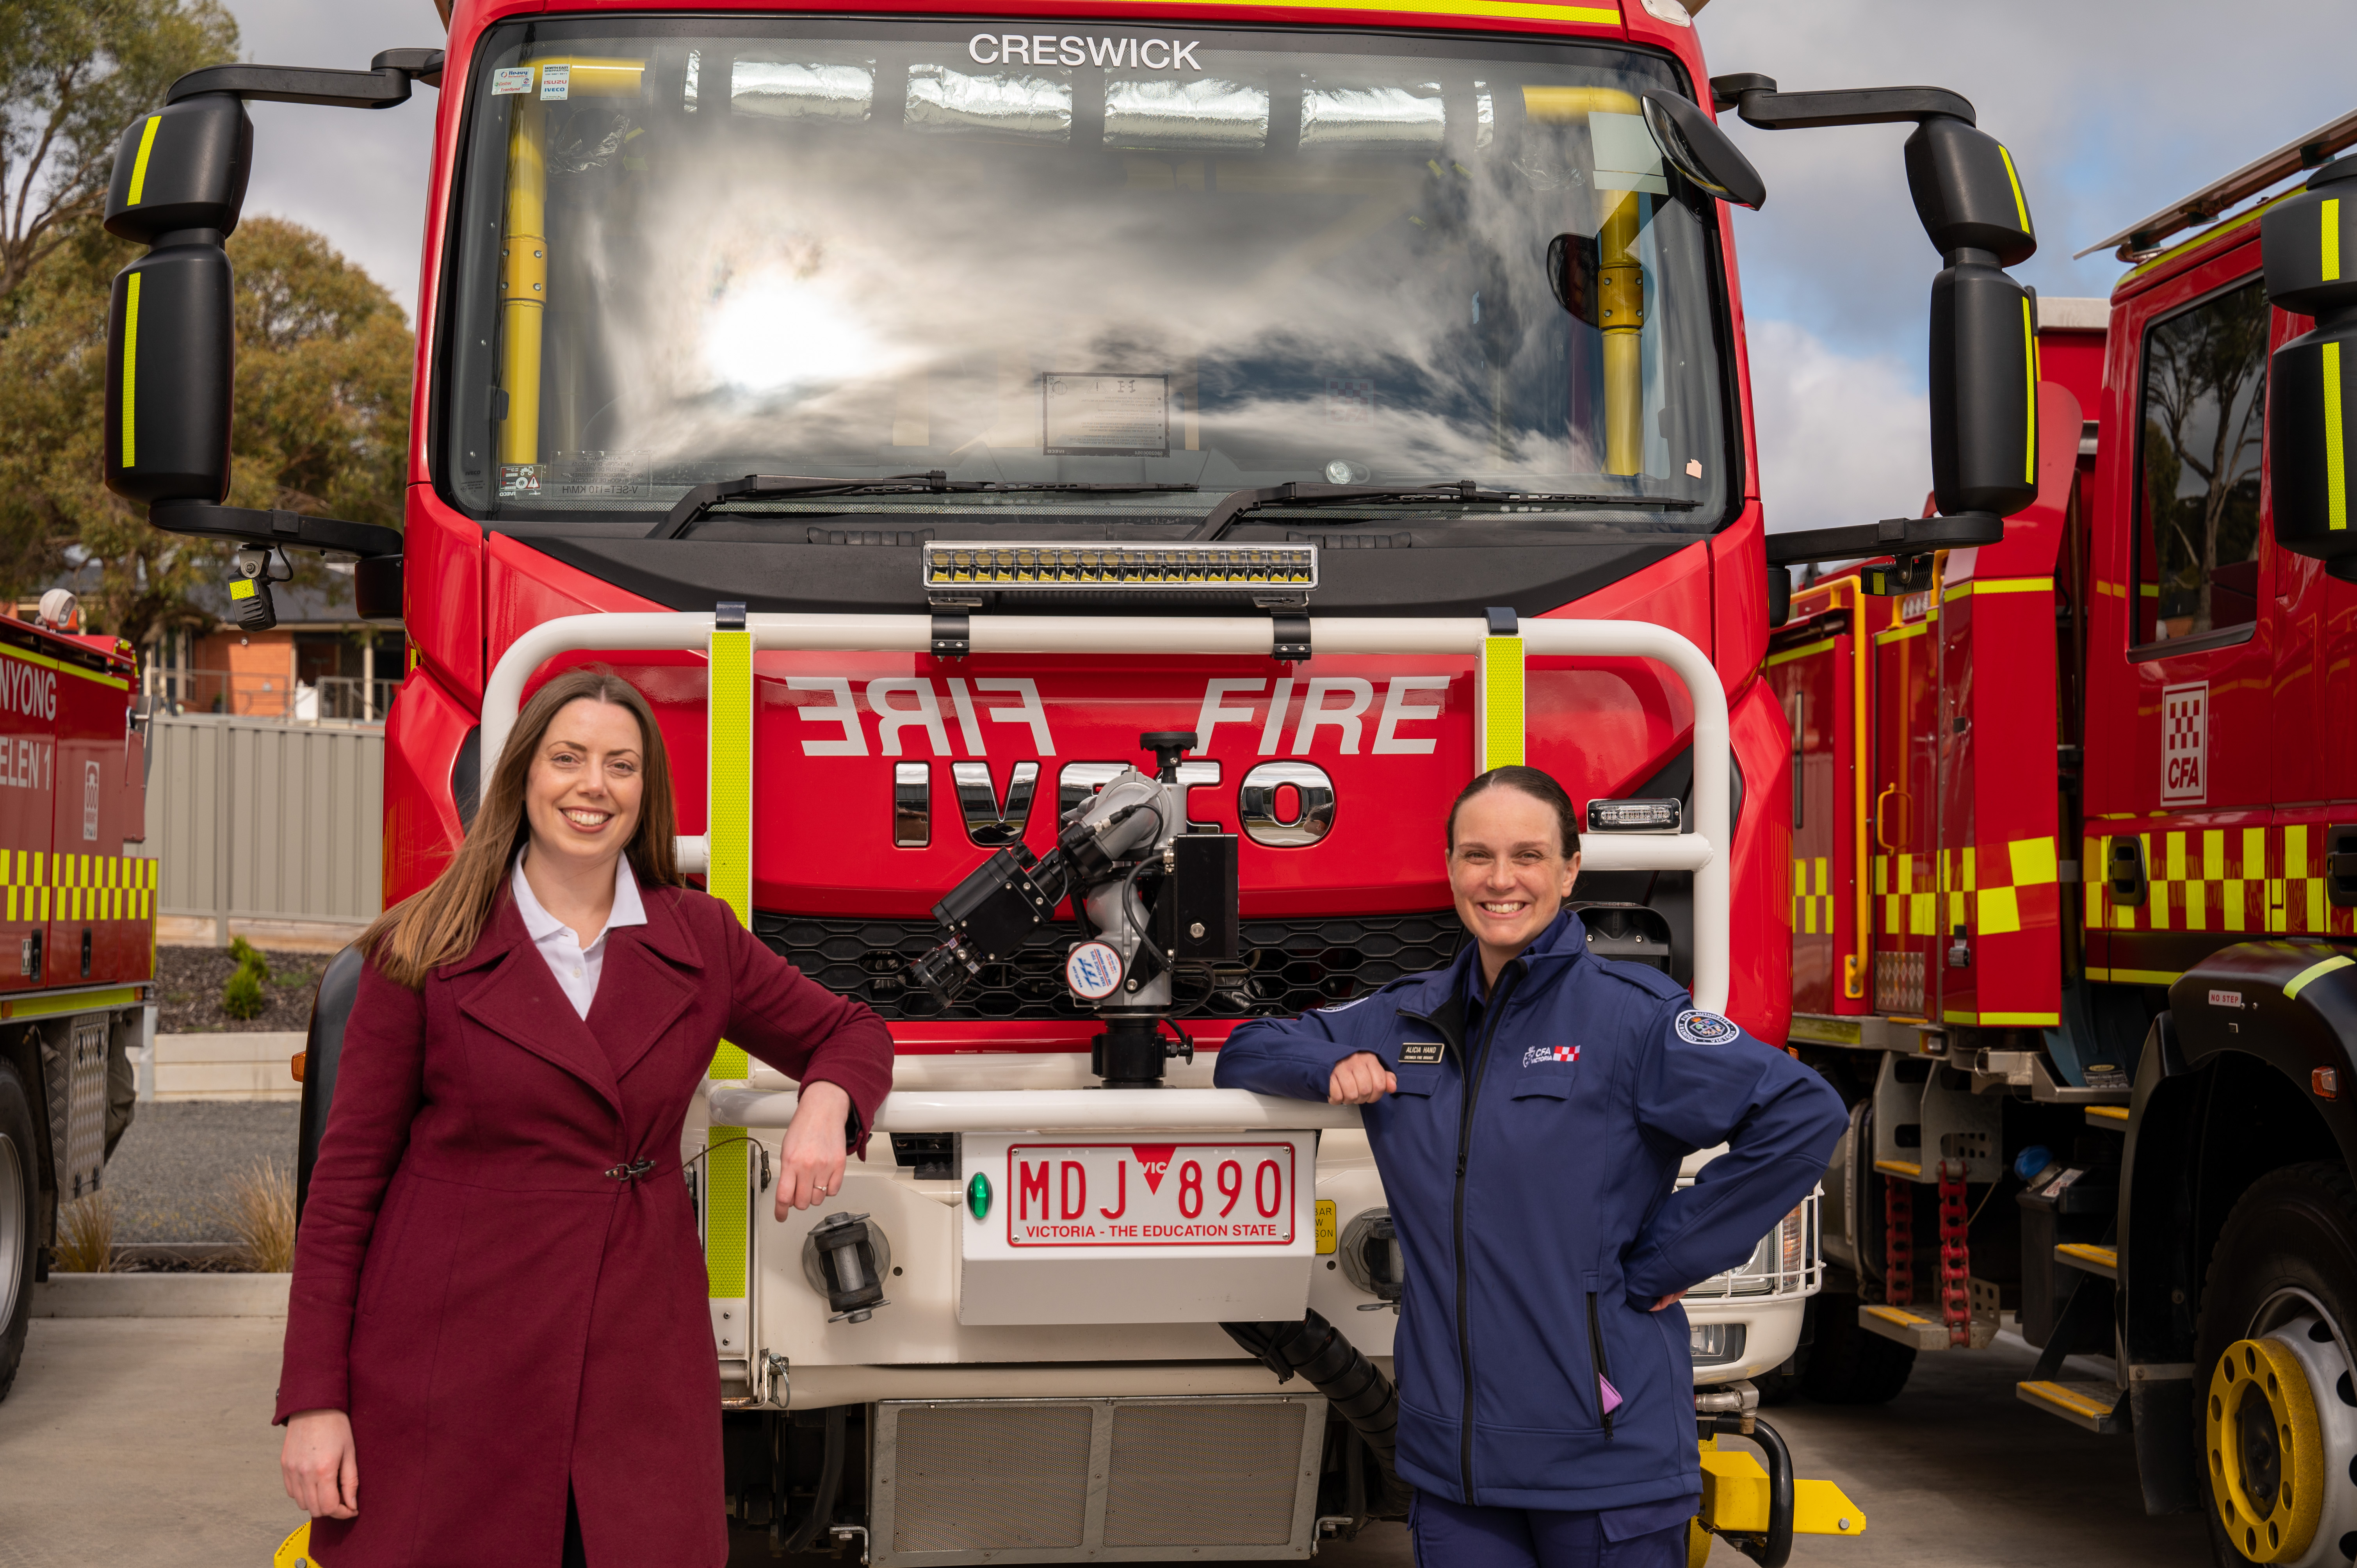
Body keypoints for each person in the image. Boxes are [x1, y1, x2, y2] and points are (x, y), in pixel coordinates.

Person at [274, 668, 895, 1567]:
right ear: (523, 774)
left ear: (647, 794)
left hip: (635, 1352)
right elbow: (341, 1196)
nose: (592, 786)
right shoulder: (421, 944)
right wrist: (315, 1401)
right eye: (567, 758)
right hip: (450, 1357)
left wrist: (826, 1104)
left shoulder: (699, 936)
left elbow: (851, 1029)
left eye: (621, 765)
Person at [1214, 766, 1846, 1567]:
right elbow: (1249, 1047)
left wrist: (1668, 1259)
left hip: (1604, 1462)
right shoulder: (1408, 1012)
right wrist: (1326, 1070)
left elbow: (1803, 1113)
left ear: (1570, 869)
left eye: (1528, 854)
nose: (1500, 878)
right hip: (1457, 1472)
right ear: (1450, 868)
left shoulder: (1630, 1015)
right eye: (1477, 855)